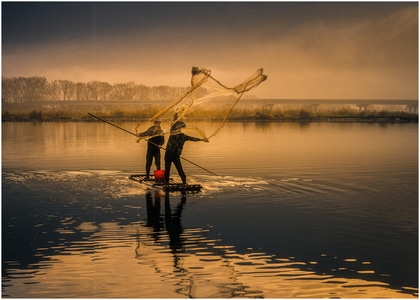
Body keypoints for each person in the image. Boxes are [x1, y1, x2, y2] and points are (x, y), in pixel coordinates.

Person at [165, 121, 208, 185]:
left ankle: (184, 183)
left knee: (180, 169)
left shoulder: (183, 136)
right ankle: (166, 182)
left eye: (181, 127)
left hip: (176, 155)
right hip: (169, 154)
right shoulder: (172, 133)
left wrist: (202, 139)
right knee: (167, 170)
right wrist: (176, 113)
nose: (179, 128)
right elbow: (173, 125)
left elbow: (192, 138)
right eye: (178, 127)